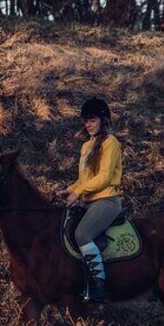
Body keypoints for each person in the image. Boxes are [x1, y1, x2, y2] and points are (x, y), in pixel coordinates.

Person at [56, 97, 123, 302]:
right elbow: (84, 178)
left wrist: (80, 191)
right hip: (88, 201)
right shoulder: (86, 146)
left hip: (106, 201)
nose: (88, 124)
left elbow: (103, 178)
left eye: (92, 120)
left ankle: (98, 286)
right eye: (86, 120)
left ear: (104, 120)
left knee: (83, 234)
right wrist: (70, 190)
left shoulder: (111, 143)